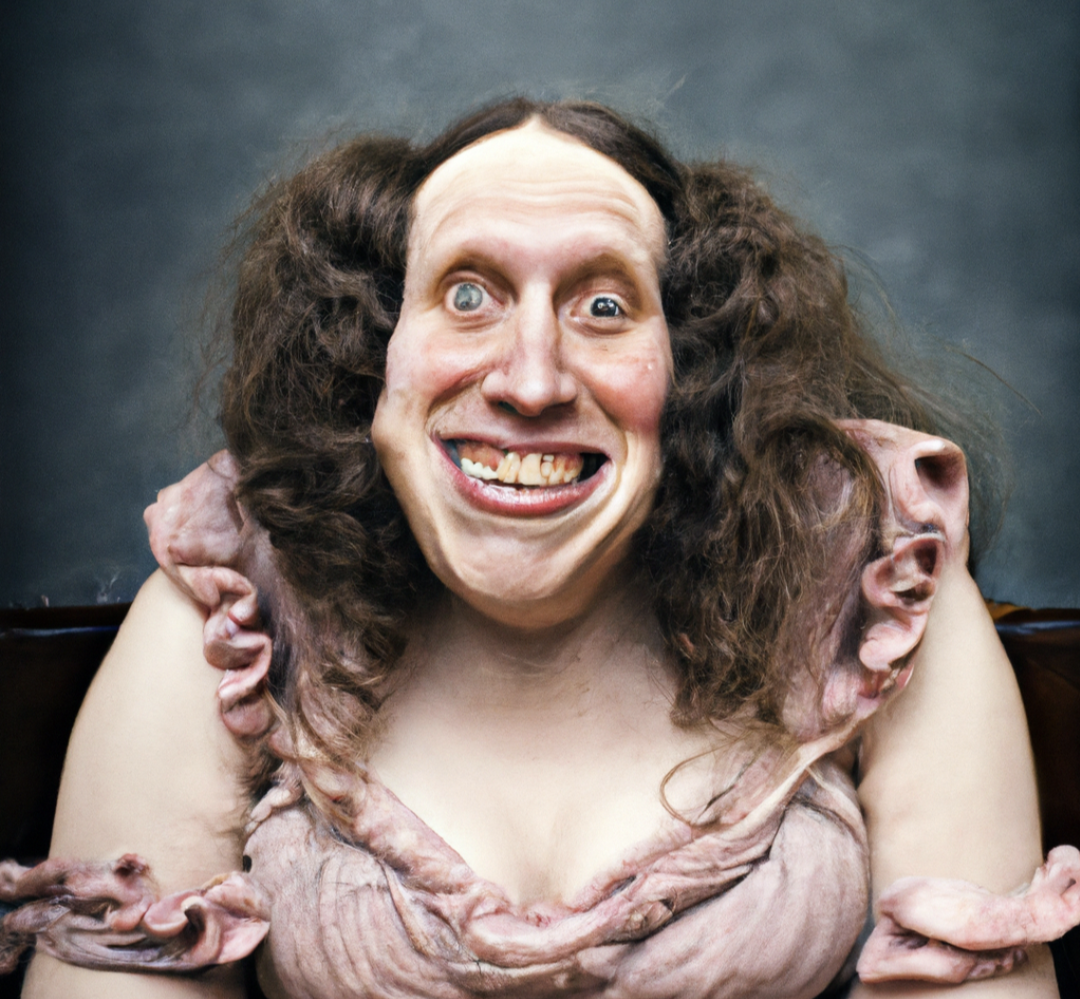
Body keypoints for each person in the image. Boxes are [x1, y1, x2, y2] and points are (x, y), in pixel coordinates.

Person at [7, 99, 1071, 998]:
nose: (530, 379)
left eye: (603, 306)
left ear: (692, 371)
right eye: (467, 295)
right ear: (373, 353)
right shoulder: (232, 596)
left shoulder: (876, 573)